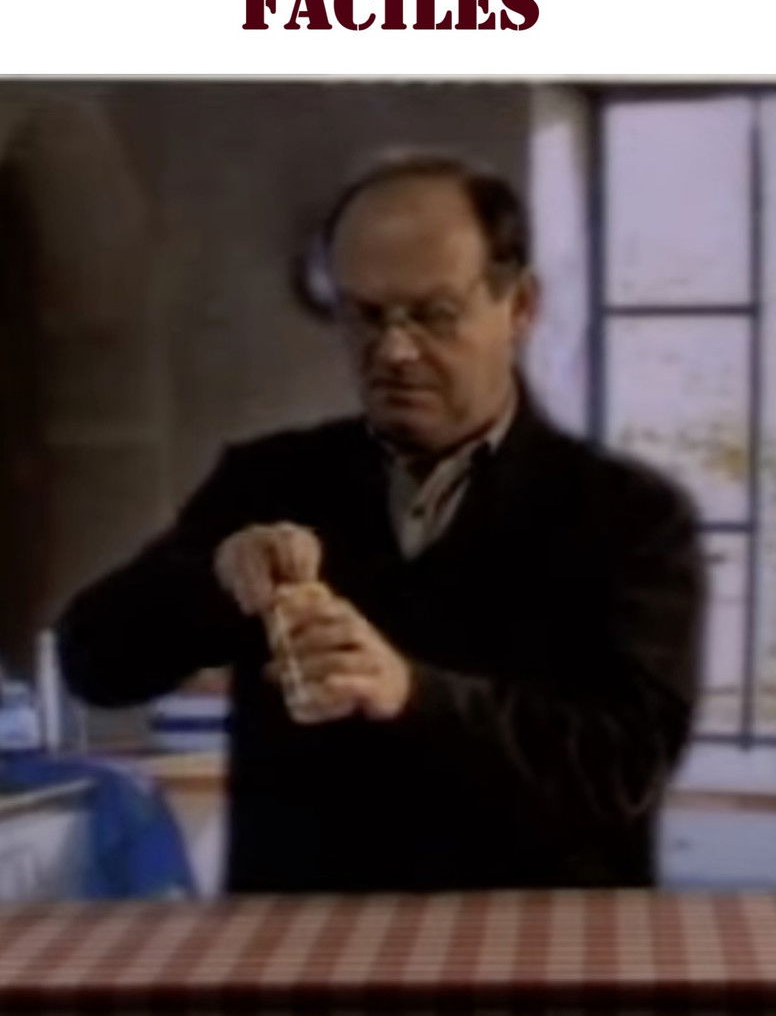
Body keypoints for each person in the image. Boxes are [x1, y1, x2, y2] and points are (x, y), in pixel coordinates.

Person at [57, 152, 705, 893]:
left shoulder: (632, 517)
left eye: (434, 315)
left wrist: (409, 692)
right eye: (365, 315)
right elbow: (93, 666)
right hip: (300, 944)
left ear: (520, 306)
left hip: (533, 941)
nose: (393, 352)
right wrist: (209, 581)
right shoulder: (267, 482)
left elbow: (624, 767)